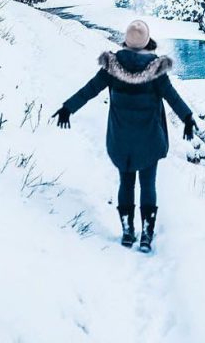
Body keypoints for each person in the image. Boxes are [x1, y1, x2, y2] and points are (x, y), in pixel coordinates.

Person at [52, 19, 195, 253]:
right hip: (149, 138)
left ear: (125, 41)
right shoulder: (156, 70)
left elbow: (89, 90)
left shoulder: (112, 67)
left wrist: (68, 107)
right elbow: (172, 97)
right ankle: (146, 235)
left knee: (126, 183)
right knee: (148, 185)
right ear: (147, 42)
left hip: (122, 139)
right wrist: (187, 118)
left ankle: (128, 232)